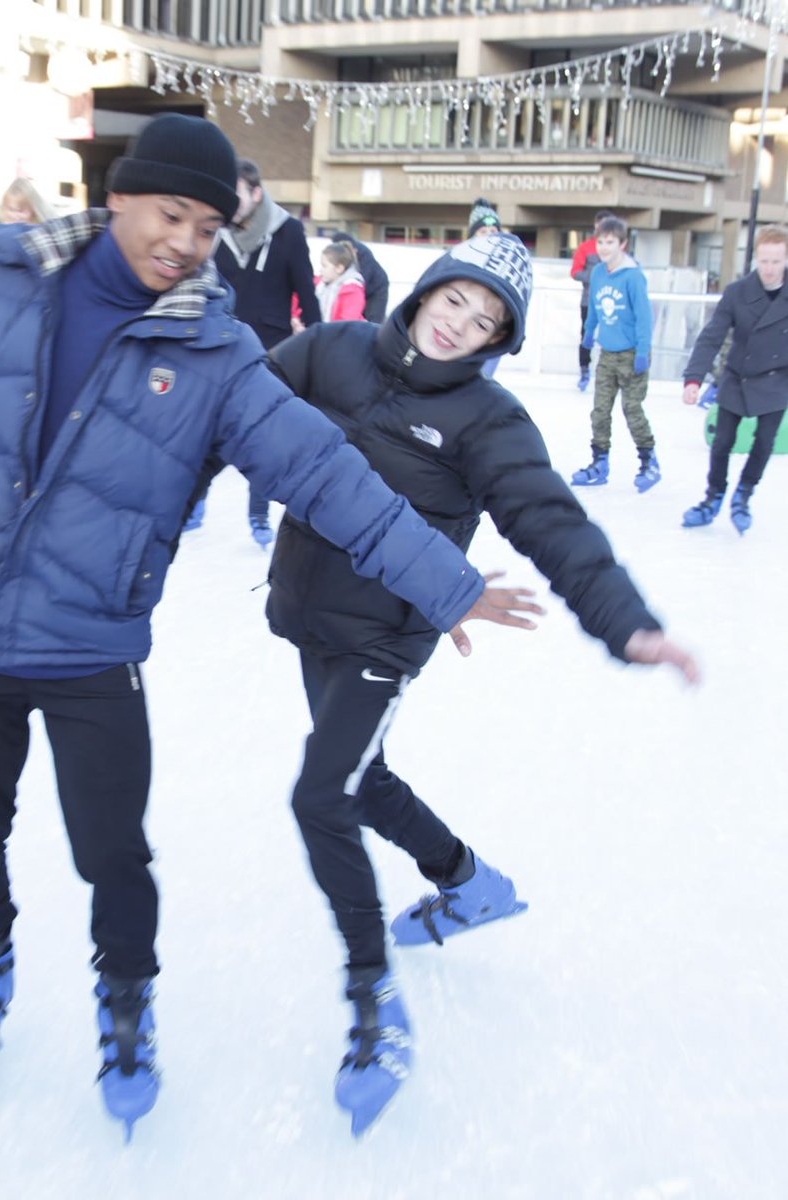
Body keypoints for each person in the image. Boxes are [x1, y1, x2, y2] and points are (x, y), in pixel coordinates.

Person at [0, 113, 540, 1136]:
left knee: (112, 855)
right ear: (117, 197)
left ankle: (126, 1008)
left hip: (90, 651)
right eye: (170, 214)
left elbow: (327, 476)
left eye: (208, 229)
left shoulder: (214, 353)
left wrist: (446, 583)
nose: (186, 243)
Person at [264, 231, 701, 1136]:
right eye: (454, 300)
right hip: (310, 609)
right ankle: (469, 882)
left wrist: (623, 621)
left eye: (485, 321)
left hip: (389, 631)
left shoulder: (486, 419)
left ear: (498, 339)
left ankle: (373, 999)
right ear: (426, 292)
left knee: (322, 794)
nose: (460, 325)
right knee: (361, 780)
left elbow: (549, 519)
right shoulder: (332, 351)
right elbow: (233, 407)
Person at [212, 157, 322, 548]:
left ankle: (258, 514)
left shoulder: (287, 231)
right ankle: (192, 506)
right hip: (220, 346)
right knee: (205, 428)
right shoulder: (214, 230)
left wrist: (319, 346)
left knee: (259, 436)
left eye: (236, 192)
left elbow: (306, 293)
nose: (228, 200)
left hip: (270, 353)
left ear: (256, 193)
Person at [680, 223, 788, 535]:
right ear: (755, 258)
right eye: (764, 261)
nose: (769, 268)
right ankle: (713, 497)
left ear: (785, 259)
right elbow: (711, 337)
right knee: (722, 441)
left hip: (777, 378)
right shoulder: (738, 292)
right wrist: (693, 379)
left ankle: (743, 494)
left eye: (776, 261)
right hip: (739, 375)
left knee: (764, 441)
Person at [572, 214, 659, 493]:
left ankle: (648, 461)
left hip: (632, 353)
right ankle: (600, 462)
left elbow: (644, 317)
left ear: (622, 244)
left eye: (610, 242)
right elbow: (595, 307)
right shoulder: (598, 273)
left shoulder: (633, 277)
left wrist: (643, 351)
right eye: (600, 242)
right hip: (607, 354)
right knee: (600, 410)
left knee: (632, 409)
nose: (604, 248)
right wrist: (589, 332)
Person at [571, 209, 615, 392]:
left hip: (612, 302)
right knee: (586, 335)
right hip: (589, 301)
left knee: (612, 335)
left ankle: (609, 373)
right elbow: (575, 272)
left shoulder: (617, 249)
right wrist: (595, 276)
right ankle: (584, 370)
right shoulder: (586, 247)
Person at [468, 198, 505, 380]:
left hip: (492, 332)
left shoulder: (505, 263)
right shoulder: (462, 260)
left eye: (493, 231)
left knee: (482, 379)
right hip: (466, 329)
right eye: (483, 231)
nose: (489, 235)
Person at [329, 231, 389, 323]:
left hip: (377, 288)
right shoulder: (341, 253)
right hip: (363, 287)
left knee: (374, 319)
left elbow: (362, 278)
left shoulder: (363, 253)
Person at [311, 241, 366, 324]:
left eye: (324, 266)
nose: (321, 270)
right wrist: (296, 318)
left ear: (339, 268)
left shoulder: (352, 290)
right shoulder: (320, 284)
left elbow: (346, 324)